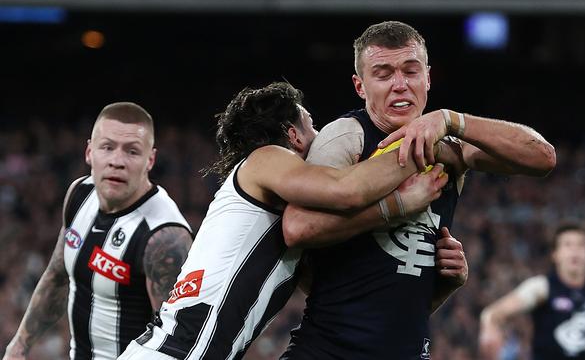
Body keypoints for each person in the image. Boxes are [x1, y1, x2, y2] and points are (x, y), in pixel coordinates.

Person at [280, 20, 557, 359]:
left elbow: (542, 158)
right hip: (329, 350)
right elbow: (299, 227)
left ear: (427, 77)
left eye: (410, 72)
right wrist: (395, 206)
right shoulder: (347, 137)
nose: (400, 85)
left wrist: (453, 120)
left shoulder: (452, 147)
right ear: (360, 86)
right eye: (383, 74)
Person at [117, 82, 450, 360]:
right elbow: (345, 189)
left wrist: (446, 283)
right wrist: (418, 153)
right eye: (312, 125)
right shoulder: (267, 158)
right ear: (293, 135)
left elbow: (345, 295)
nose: (320, 135)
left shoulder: (276, 210)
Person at [2, 102, 194, 360]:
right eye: (107, 147)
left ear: (150, 160)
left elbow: (177, 344)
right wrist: (20, 345)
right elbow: (58, 276)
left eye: (132, 152)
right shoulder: (79, 194)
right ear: (90, 152)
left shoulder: (165, 238)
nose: (117, 161)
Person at [479, 221, 585, 360]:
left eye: (581, 245)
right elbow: (495, 312)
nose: (575, 250)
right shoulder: (541, 287)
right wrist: (489, 327)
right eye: (567, 245)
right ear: (555, 254)